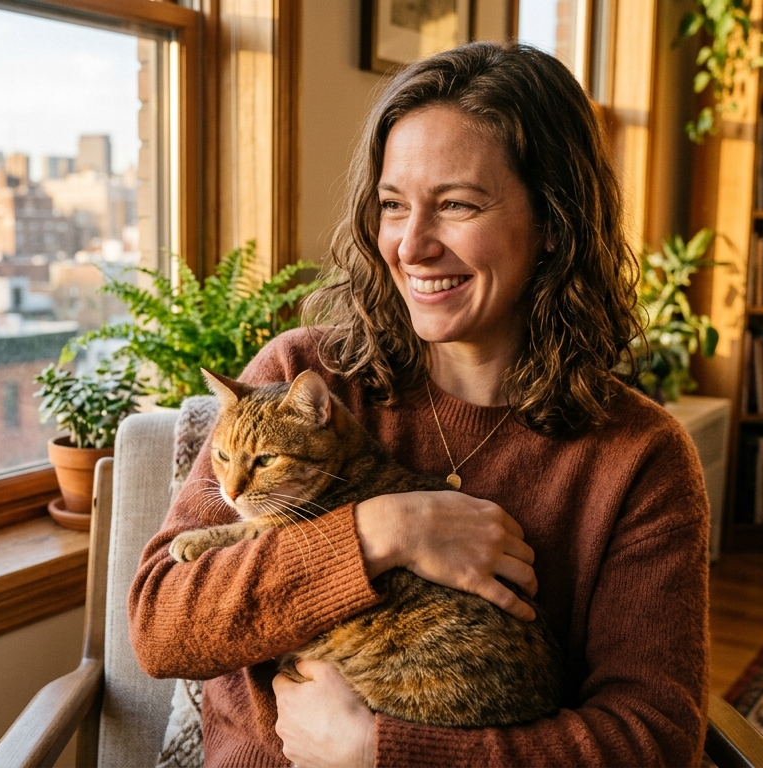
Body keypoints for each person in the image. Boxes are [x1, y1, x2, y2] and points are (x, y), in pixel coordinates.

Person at [129, 41, 710, 767]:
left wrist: (382, 753)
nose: (411, 246)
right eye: (393, 205)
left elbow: (653, 742)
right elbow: (161, 626)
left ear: (553, 223)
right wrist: (385, 531)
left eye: (458, 205)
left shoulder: (639, 457)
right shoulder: (301, 371)